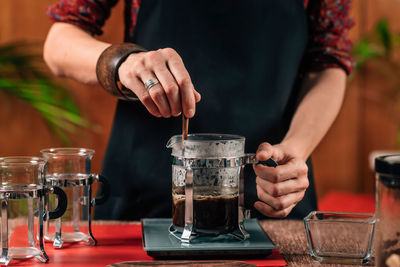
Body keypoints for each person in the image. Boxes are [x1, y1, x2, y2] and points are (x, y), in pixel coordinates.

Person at [43, 0, 354, 220]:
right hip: (143, 199)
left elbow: (327, 61)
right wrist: (123, 63)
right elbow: (59, 44)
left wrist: (297, 148)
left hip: (270, 196)